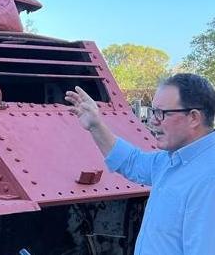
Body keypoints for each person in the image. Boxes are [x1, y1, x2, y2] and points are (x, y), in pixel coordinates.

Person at [65, 73, 215, 255]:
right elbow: (132, 162)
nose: (152, 121)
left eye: (162, 113)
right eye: (153, 112)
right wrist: (95, 125)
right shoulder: (170, 160)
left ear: (194, 117)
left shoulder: (209, 179)